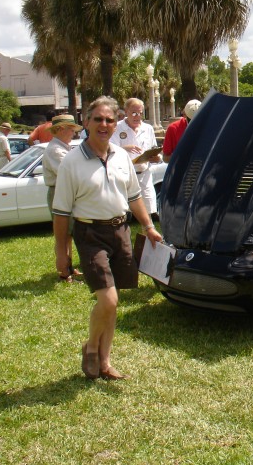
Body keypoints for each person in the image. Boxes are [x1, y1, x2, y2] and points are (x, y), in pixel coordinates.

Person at [52, 96, 162, 380]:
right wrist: (61, 253)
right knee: (109, 300)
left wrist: (148, 227)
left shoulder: (122, 156)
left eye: (109, 120)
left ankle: (104, 361)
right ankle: (90, 347)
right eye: (98, 119)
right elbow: (62, 214)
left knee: (112, 301)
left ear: (116, 124)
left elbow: (134, 196)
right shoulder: (71, 162)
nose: (104, 124)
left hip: (120, 231)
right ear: (86, 122)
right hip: (90, 234)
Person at [42, 114, 82, 282]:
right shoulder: (55, 150)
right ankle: (64, 271)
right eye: (70, 129)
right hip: (59, 192)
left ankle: (69, 267)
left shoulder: (63, 147)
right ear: (59, 129)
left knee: (69, 233)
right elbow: (67, 173)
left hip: (67, 193)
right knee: (63, 234)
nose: (73, 133)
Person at [110, 98, 161, 217]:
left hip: (144, 175)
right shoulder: (117, 128)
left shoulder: (147, 128)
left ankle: (148, 235)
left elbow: (153, 149)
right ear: (126, 111)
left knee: (148, 212)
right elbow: (109, 151)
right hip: (124, 176)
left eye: (140, 113)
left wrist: (156, 158)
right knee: (123, 213)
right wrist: (125, 148)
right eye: (134, 113)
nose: (137, 116)